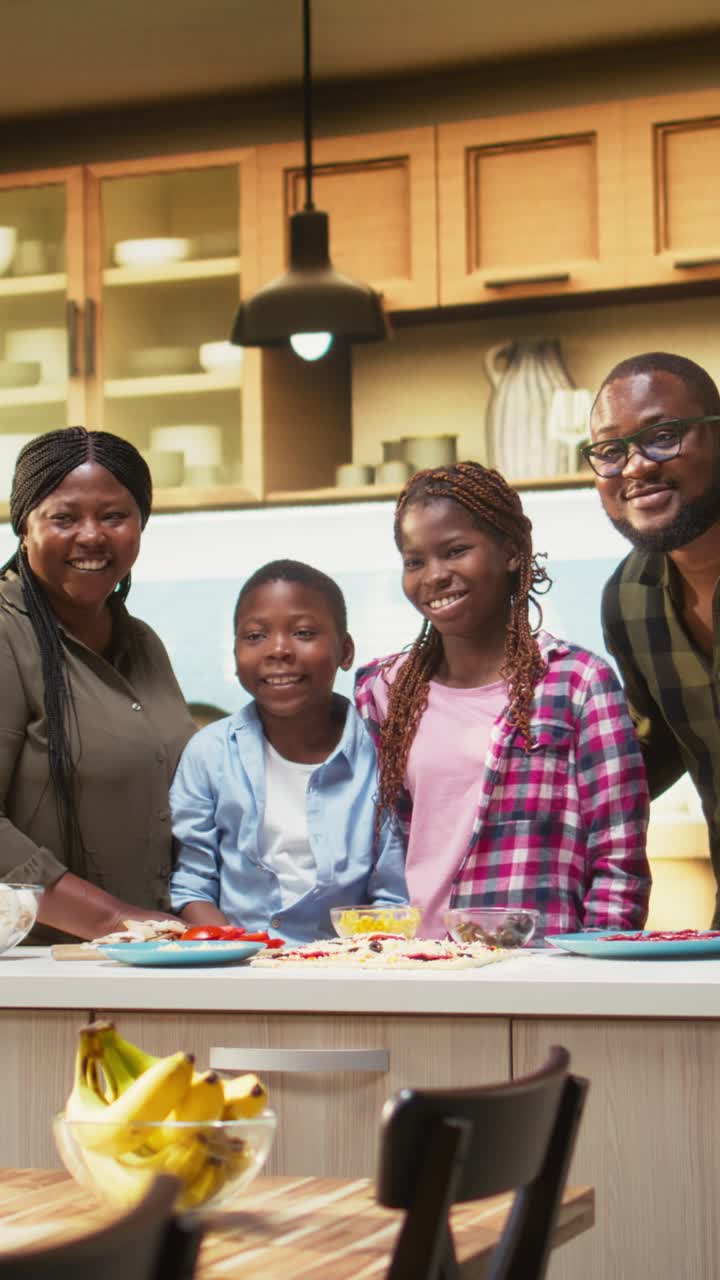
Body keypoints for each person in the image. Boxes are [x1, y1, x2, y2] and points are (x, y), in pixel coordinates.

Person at [354, 460, 650, 941]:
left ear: (511, 553)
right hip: (413, 967)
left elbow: (619, 862)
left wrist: (598, 973)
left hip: (539, 971)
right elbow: (377, 845)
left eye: (455, 551)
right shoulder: (382, 691)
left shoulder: (578, 684)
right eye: (415, 561)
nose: (434, 576)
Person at [0, 427, 196, 943]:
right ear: (25, 527)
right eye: (63, 517)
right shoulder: (5, 632)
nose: (91, 536)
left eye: (114, 516)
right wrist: (111, 920)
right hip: (36, 975)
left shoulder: (142, 640)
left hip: (148, 959)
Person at [169, 559, 408, 944]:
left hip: (353, 969)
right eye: (254, 636)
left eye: (303, 632)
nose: (278, 650)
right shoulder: (209, 753)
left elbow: (392, 897)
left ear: (345, 651)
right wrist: (236, 948)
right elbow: (193, 887)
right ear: (234, 655)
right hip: (235, 965)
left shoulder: (381, 754)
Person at [586, 351, 720, 925]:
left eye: (662, 436)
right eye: (611, 451)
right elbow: (649, 750)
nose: (635, 467)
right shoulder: (630, 596)